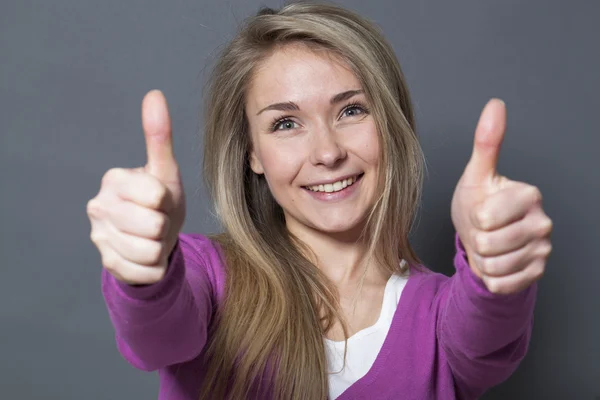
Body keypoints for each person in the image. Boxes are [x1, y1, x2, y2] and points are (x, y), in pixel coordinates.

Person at [86, 2, 553, 399]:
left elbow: (487, 328)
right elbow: (155, 338)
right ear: (253, 153)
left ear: (390, 126)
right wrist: (146, 271)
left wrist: (495, 268)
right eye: (286, 124)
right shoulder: (206, 274)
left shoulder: (439, 317)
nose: (328, 153)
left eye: (351, 110)